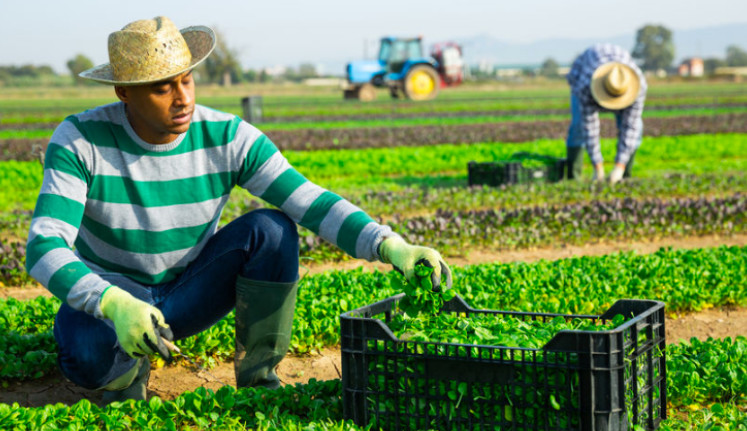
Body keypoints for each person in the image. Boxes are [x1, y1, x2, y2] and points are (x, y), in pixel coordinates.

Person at [25, 16, 451, 403]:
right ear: (124, 93)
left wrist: (391, 245)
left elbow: (309, 200)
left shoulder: (227, 136)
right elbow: (44, 246)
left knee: (272, 229)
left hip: (188, 291)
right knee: (83, 351)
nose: (182, 98)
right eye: (162, 88)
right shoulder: (80, 139)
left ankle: (259, 379)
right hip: (117, 294)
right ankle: (124, 376)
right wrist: (113, 303)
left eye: (187, 80)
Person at [565, 43, 647, 183]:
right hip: (582, 75)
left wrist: (619, 167)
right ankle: (574, 177)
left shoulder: (638, 87)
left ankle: (624, 175)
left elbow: (630, 128)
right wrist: (598, 168)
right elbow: (590, 128)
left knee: (636, 128)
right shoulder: (586, 87)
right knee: (579, 126)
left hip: (620, 80)